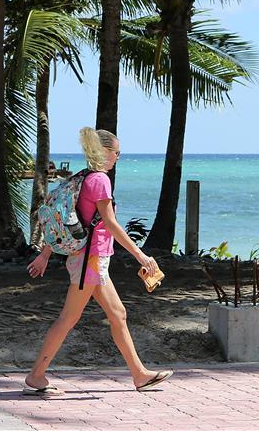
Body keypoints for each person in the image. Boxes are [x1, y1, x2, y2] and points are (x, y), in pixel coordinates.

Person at [24, 127, 172, 395]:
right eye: (117, 152)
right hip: (90, 261)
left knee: (118, 314)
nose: (118, 157)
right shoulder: (100, 180)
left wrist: (46, 253)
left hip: (89, 259)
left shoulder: (83, 178)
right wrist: (140, 255)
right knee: (68, 319)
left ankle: (139, 375)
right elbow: (111, 224)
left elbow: (68, 219)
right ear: (105, 152)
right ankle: (36, 376)